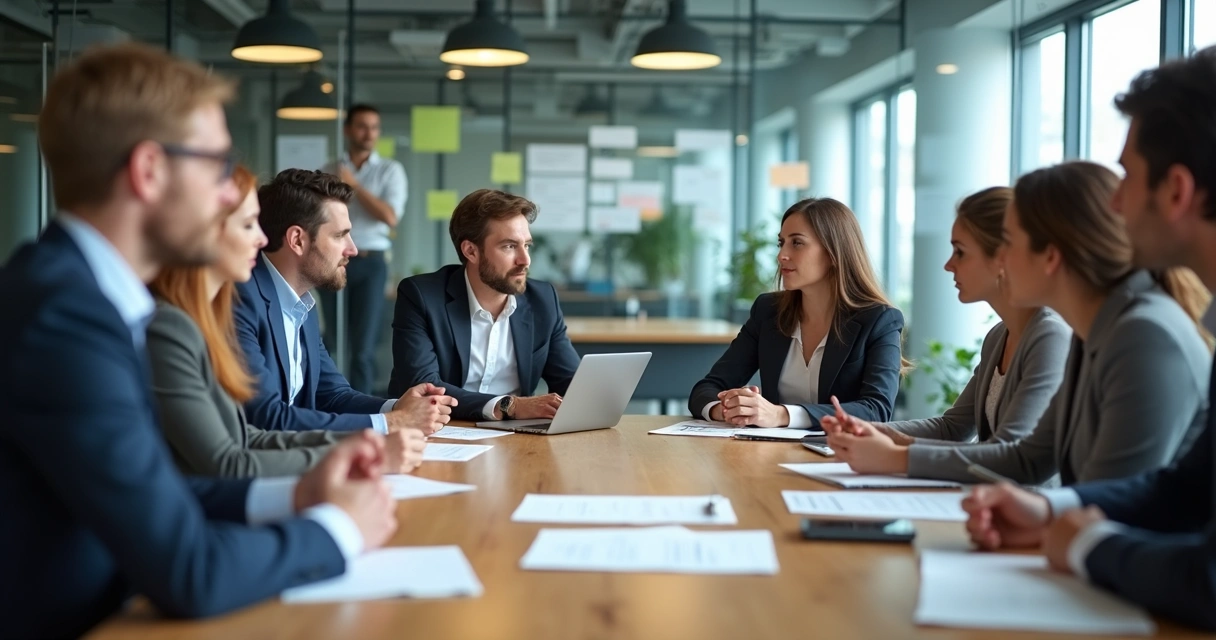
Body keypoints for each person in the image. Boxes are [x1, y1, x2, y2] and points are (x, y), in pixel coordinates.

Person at [0, 43, 397, 638]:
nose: (228, 200)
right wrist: (339, 529)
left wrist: (298, 495)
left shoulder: (88, 297)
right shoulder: (64, 318)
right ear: (150, 170)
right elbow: (190, 570)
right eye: (215, 168)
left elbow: (162, 494)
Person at [962, 47, 1216, 630]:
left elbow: (1208, 577)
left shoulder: (1146, 332)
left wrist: (1080, 542)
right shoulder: (1110, 324)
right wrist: (1050, 508)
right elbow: (1184, 489)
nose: (1116, 201)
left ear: (1176, 191)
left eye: (1126, 176)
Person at [828, 161, 1210, 486]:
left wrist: (894, 456)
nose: (1002, 259)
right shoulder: (1090, 331)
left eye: (1008, 243)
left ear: (1050, 255)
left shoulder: (1137, 334)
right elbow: (1030, 458)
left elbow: (1111, 504)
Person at [148, 165, 426, 477]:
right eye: (248, 225)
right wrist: (376, 437)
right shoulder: (219, 308)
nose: (261, 238)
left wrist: (394, 411)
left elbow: (321, 400)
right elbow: (252, 433)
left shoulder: (301, 303)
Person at [815, 188, 1070, 473]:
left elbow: (1011, 456)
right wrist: (871, 431)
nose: (949, 264)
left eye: (960, 252)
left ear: (1002, 257)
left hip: (1026, 509)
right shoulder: (999, 336)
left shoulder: (1050, 337)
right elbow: (953, 428)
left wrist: (897, 457)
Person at [235, 169, 456, 434]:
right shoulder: (241, 299)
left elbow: (332, 395)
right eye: (340, 235)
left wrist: (397, 408)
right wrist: (394, 422)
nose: (352, 249)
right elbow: (266, 418)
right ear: (297, 240)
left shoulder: (302, 304)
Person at [688, 197, 908, 428]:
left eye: (797, 243)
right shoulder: (768, 311)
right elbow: (707, 388)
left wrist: (781, 415)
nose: (782, 255)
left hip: (838, 457)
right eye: (781, 243)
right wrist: (730, 410)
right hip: (766, 454)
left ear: (834, 252)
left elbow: (877, 409)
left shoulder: (879, 320)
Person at [389, 189, 581, 421]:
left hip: (518, 436)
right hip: (441, 432)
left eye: (527, 246)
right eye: (509, 246)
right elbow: (425, 389)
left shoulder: (542, 299)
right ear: (471, 251)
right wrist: (509, 406)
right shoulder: (422, 296)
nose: (525, 260)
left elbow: (571, 382)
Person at [320, 104, 407, 395]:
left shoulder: (390, 170)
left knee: (363, 347)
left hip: (370, 262)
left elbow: (390, 216)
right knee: (331, 341)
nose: (369, 133)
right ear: (347, 130)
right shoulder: (329, 169)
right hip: (331, 258)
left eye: (374, 127)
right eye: (362, 126)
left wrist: (354, 185)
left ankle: (363, 411)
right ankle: (329, 403)